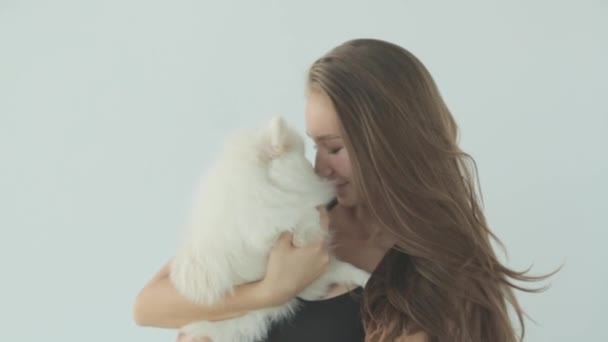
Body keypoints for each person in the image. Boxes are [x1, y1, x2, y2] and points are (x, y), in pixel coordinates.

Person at [133, 38, 553, 342]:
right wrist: (269, 291)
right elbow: (148, 306)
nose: (319, 167)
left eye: (334, 148)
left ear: (388, 144)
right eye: (316, 146)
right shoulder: (300, 214)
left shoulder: (434, 273)